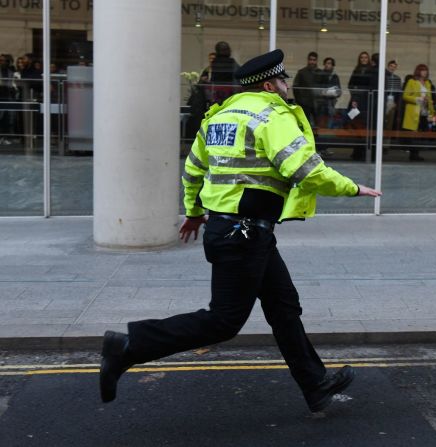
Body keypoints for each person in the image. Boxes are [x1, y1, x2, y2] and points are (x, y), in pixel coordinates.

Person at [99, 49, 382, 413]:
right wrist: (351, 188)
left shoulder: (221, 115)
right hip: (244, 234)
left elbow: (193, 171)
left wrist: (194, 211)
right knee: (224, 321)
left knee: (283, 306)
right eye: (283, 81)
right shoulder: (271, 114)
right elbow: (305, 169)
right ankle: (128, 345)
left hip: (236, 229)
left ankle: (315, 384)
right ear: (268, 84)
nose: (286, 87)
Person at [401, 64, 436, 161]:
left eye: (426, 70)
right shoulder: (412, 81)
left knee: (421, 132)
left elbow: (430, 98)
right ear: (418, 71)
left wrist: (432, 112)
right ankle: (413, 154)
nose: (425, 72)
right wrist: (417, 99)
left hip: (424, 110)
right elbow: (405, 96)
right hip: (414, 110)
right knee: (413, 134)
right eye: (422, 70)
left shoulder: (428, 83)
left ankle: (417, 153)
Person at [347, 51, 373, 160]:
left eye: (365, 57)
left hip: (366, 102)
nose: (363, 59)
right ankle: (356, 151)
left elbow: (370, 86)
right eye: (362, 57)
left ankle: (363, 151)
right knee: (356, 127)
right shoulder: (356, 70)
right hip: (356, 101)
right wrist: (354, 97)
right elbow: (351, 85)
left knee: (364, 127)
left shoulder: (371, 71)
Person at [292, 51, 320, 126]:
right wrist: (300, 101)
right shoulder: (302, 72)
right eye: (310, 59)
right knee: (305, 124)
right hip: (304, 104)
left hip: (316, 104)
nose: (312, 62)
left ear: (316, 61)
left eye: (314, 60)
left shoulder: (320, 73)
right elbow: (295, 87)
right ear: (308, 60)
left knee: (318, 125)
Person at [315, 57, 341, 129]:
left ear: (333, 65)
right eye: (326, 63)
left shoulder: (335, 76)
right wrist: (322, 92)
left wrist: (332, 92)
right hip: (321, 102)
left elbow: (339, 91)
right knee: (320, 120)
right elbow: (316, 89)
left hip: (331, 103)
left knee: (330, 121)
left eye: (329, 63)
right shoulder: (320, 75)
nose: (327, 65)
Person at [0, 54, 15, 145]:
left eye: (2, 60)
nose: (1, 62)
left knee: (7, 118)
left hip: (7, 96)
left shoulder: (10, 72)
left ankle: (4, 137)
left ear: (7, 62)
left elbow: (12, 83)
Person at [384, 60, 402, 130]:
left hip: (392, 103)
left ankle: (387, 140)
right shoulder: (383, 76)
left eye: (394, 67)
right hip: (384, 102)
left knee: (390, 123)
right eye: (391, 66)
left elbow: (398, 93)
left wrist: (396, 103)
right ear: (388, 66)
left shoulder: (397, 78)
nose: (392, 68)